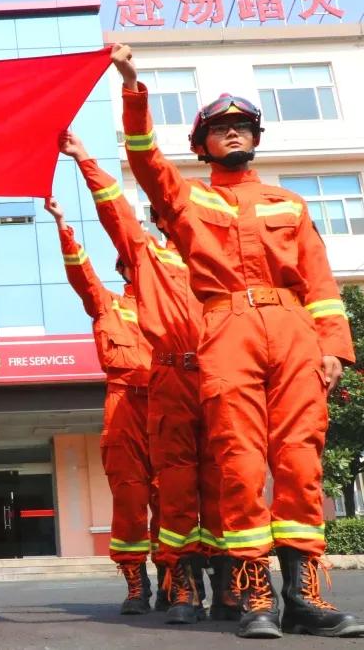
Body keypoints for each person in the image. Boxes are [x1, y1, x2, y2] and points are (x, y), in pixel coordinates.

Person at [114, 42, 360, 639]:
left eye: (240, 126)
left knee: (300, 461)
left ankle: (304, 598)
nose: (231, 134)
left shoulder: (290, 203)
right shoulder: (187, 199)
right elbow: (145, 161)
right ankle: (254, 596)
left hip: (293, 330)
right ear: (201, 146)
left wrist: (333, 349)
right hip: (225, 328)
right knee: (239, 461)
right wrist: (132, 86)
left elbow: (322, 285)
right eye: (219, 129)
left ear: (256, 136)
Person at [58, 130, 237, 624]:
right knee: (162, 492)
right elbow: (110, 228)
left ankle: (227, 585)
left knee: (221, 483)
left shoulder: (214, 265)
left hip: (217, 378)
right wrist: (84, 163)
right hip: (159, 387)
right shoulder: (145, 268)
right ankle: (174, 586)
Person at [43, 196, 158, 616]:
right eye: (129, 263)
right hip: (124, 401)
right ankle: (135, 584)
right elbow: (82, 275)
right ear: (123, 271)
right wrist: (62, 224)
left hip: (168, 405)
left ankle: (177, 583)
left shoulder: (175, 310)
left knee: (173, 496)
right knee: (128, 496)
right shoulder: (109, 305)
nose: (137, 268)